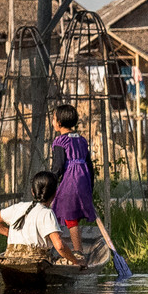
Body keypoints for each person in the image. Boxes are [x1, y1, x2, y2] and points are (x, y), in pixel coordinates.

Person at [0, 171, 78, 261]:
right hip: (36, 261)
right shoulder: (47, 213)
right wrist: (75, 261)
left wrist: (12, 234)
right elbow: (60, 246)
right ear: (54, 194)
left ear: (32, 192)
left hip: (11, 258)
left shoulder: (18, 207)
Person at [49, 105, 98, 257]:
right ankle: (59, 247)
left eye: (53, 119)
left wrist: (49, 185)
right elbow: (89, 165)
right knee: (65, 212)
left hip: (71, 179)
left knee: (69, 217)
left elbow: (57, 167)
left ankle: (78, 252)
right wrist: (90, 185)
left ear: (59, 123)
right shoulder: (82, 140)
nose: (52, 122)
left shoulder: (60, 141)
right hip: (83, 179)